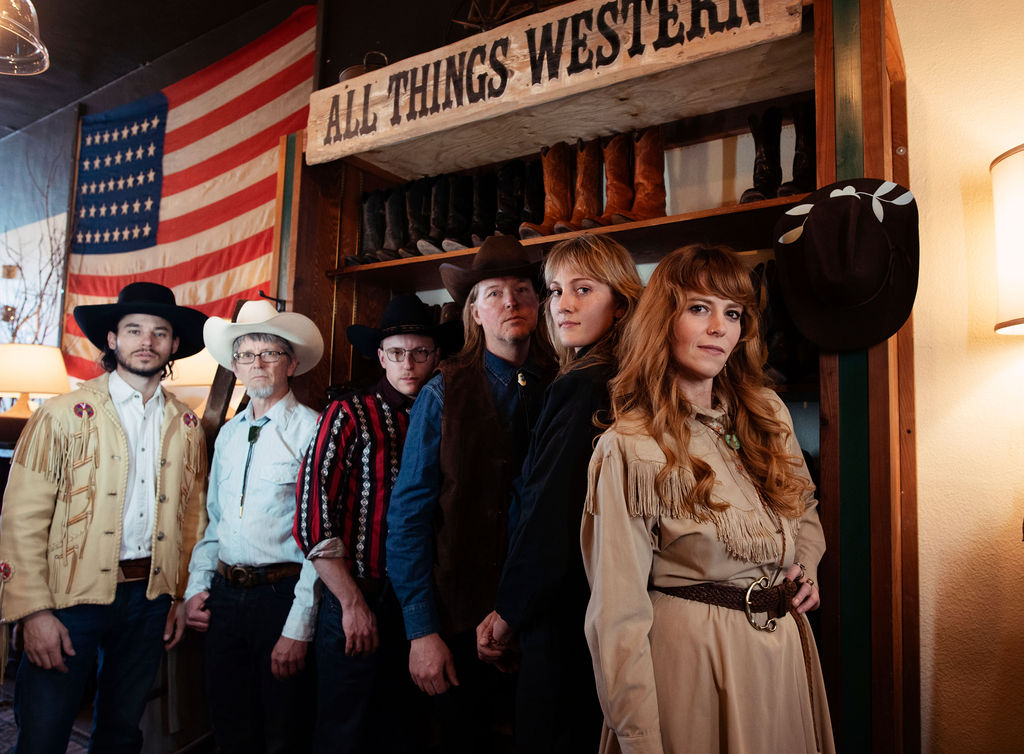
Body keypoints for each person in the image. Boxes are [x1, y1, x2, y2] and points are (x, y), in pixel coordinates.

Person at [582, 244, 835, 753]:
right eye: (700, 308)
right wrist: (640, 739)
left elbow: (802, 508)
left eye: (733, 313)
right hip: (692, 669)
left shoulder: (766, 414)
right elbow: (617, 615)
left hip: (782, 656)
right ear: (664, 319)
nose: (720, 327)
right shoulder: (629, 447)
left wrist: (802, 565)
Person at [0, 281, 208, 753]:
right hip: (68, 599)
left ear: (175, 345)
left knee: (120, 733)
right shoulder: (61, 414)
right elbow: (21, 518)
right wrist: (33, 611)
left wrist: (177, 595)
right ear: (112, 340)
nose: (146, 342)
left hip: (149, 598)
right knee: (43, 732)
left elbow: (192, 519)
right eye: (133, 330)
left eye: (159, 333)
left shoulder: (187, 425)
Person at [386, 235, 555, 752]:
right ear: (475, 312)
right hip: (457, 620)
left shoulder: (561, 384)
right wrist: (421, 632)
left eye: (523, 289)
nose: (511, 302)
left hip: (539, 617)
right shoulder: (443, 390)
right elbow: (408, 517)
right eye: (494, 292)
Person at [475, 234, 643, 752]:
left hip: (565, 609)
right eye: (553, 290)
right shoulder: (618, 376)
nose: (562, 304)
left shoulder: (585, 383)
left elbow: (554, 513)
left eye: (584, 289)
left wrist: (509, 611)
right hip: (601, 604)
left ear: (619, 305)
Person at [294, 294, 460, 753]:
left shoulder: (448, 416)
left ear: (437, 355)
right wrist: (350, 604)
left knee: (407, 729)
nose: (409, 364)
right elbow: (313, 521)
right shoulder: (348, 413)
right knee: (345, 730)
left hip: (422, 604)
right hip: (357, 597)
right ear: (381, 357)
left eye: (421, 352)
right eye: (397, 353)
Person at [184, 299, 324, 754]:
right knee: (229, 727)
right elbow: (215, 521)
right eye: (246, 354)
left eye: (270, 353)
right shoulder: (226, 434)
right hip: (225, 599)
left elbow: (321, 542)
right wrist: (196, 588)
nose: (257, 363)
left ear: (292, 363)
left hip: (280, 600)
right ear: (235, 365)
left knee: (284, 731)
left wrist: (298, 627)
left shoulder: (313, 431)